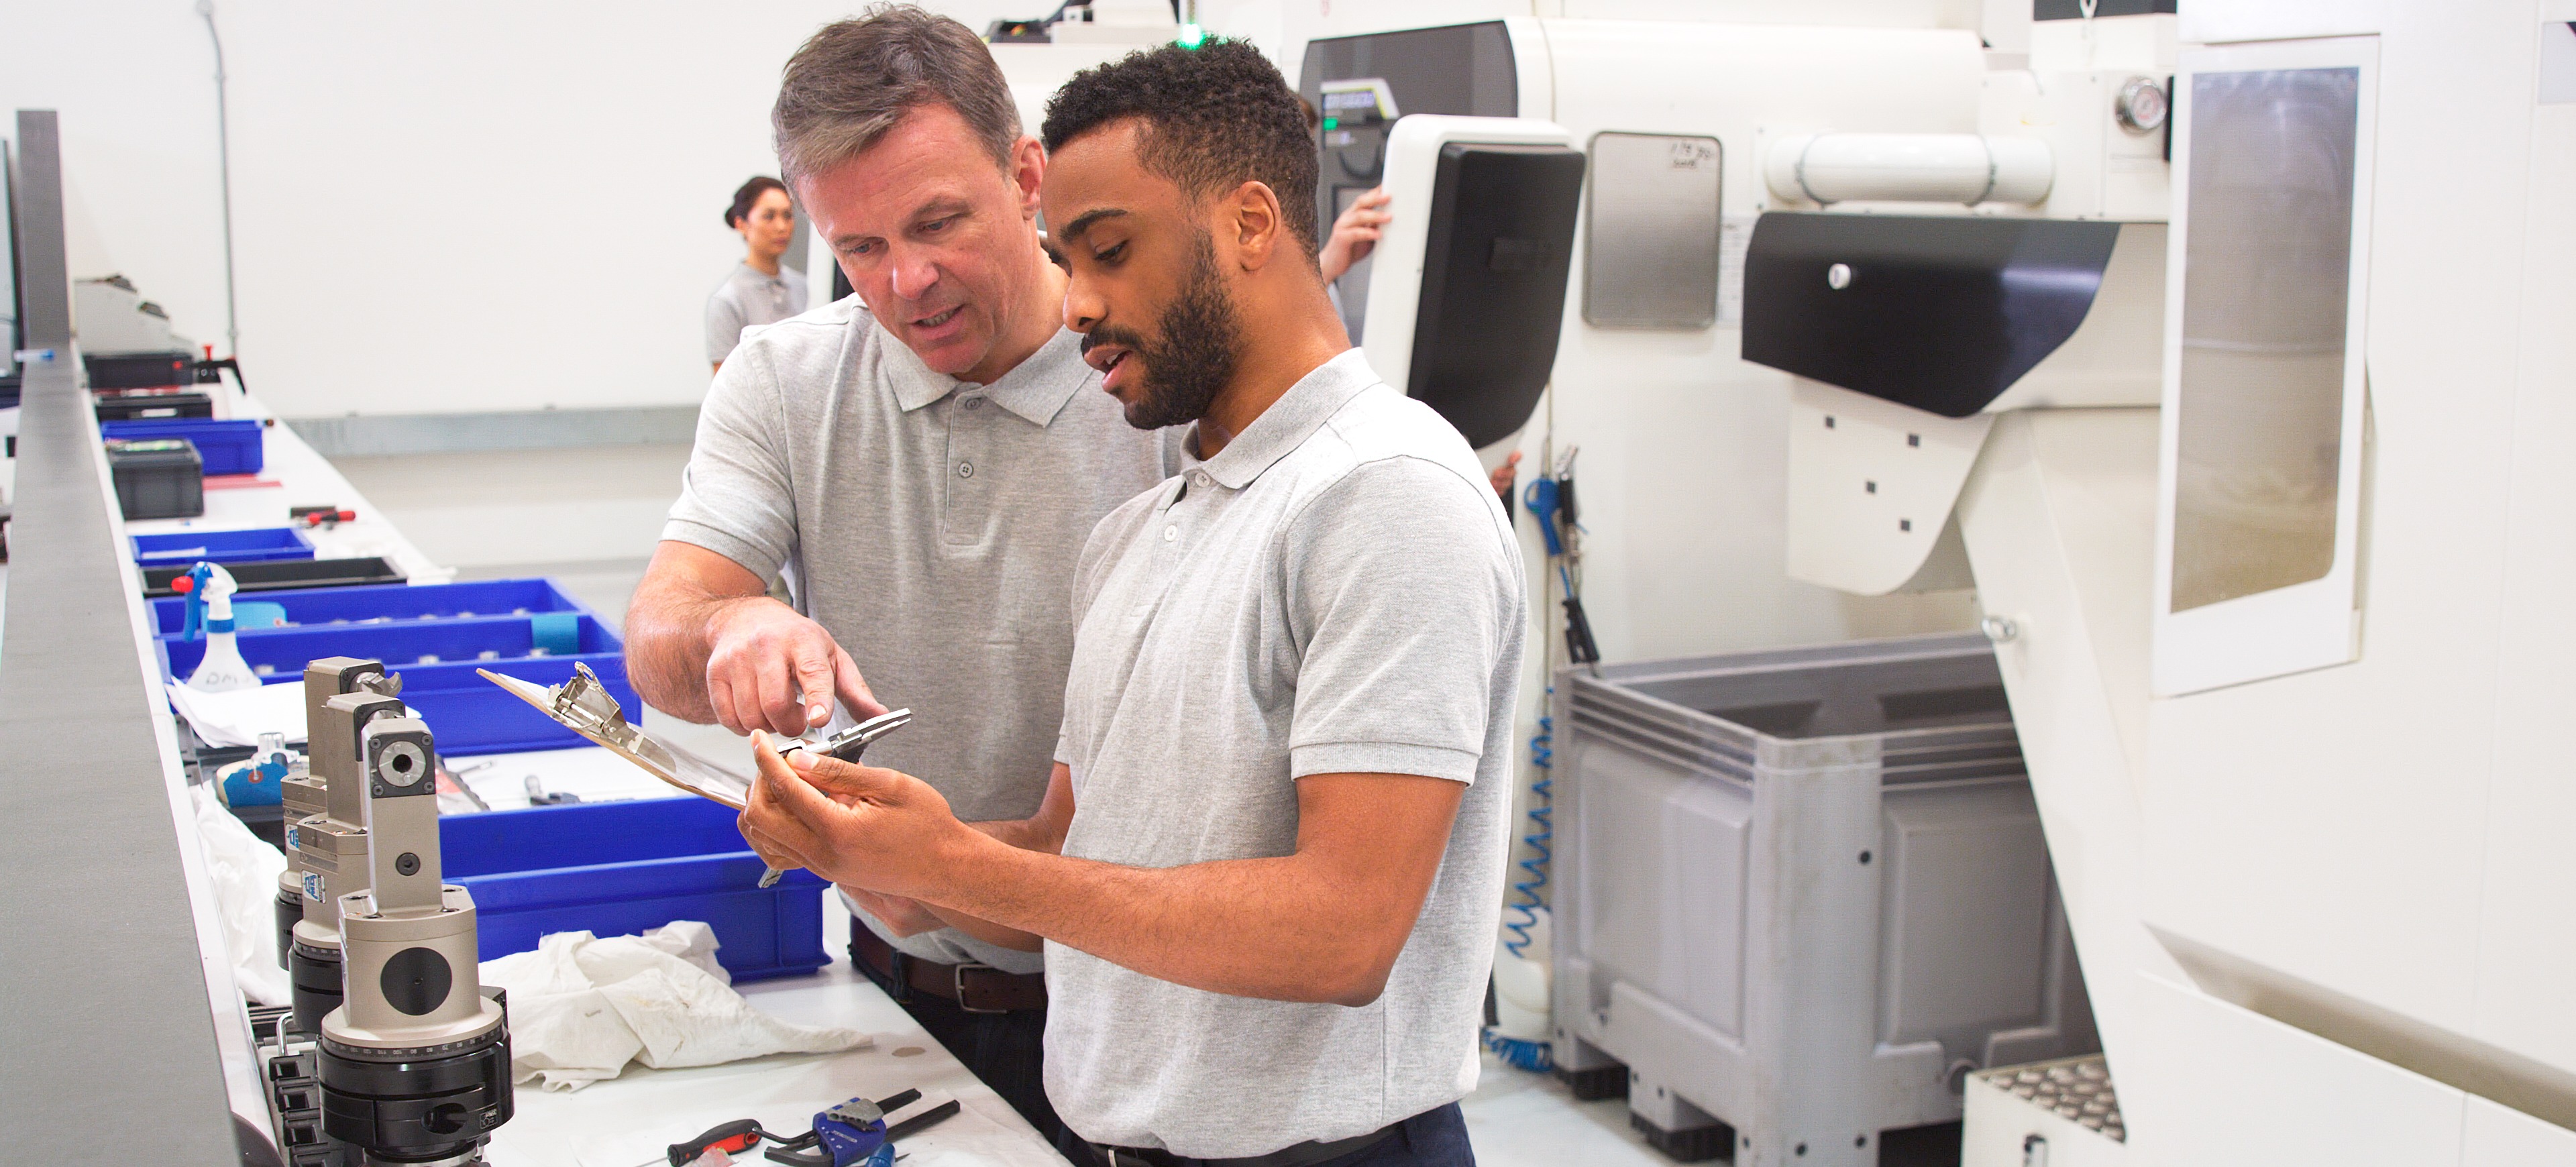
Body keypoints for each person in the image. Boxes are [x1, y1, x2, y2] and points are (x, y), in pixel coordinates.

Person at [737, 38, 1523, 1167]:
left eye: (1108, 251)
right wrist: (886, 852)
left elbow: (1345, 934)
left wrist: (958, 866)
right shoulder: (1145, 533)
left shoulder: (1385, 494)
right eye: (1064, 256)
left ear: (1252, 223)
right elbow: (1065, 856)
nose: (1077, 305)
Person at [627, 7, 1177, 1144]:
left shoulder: (1159, 387)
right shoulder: (787, 381)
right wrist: (737, 624)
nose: (908, 282)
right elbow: (659, 637)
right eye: (861, 247)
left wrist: (948, 870)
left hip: (1146, 1023)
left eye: (940, 223)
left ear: (1027, 175)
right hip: (899, 999)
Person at [706, 176, 809, 372]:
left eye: (787, 216)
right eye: (769, 217)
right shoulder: (727, 299)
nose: (782, 227)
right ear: (742, 224)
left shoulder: (802, 286)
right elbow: (724, 386)